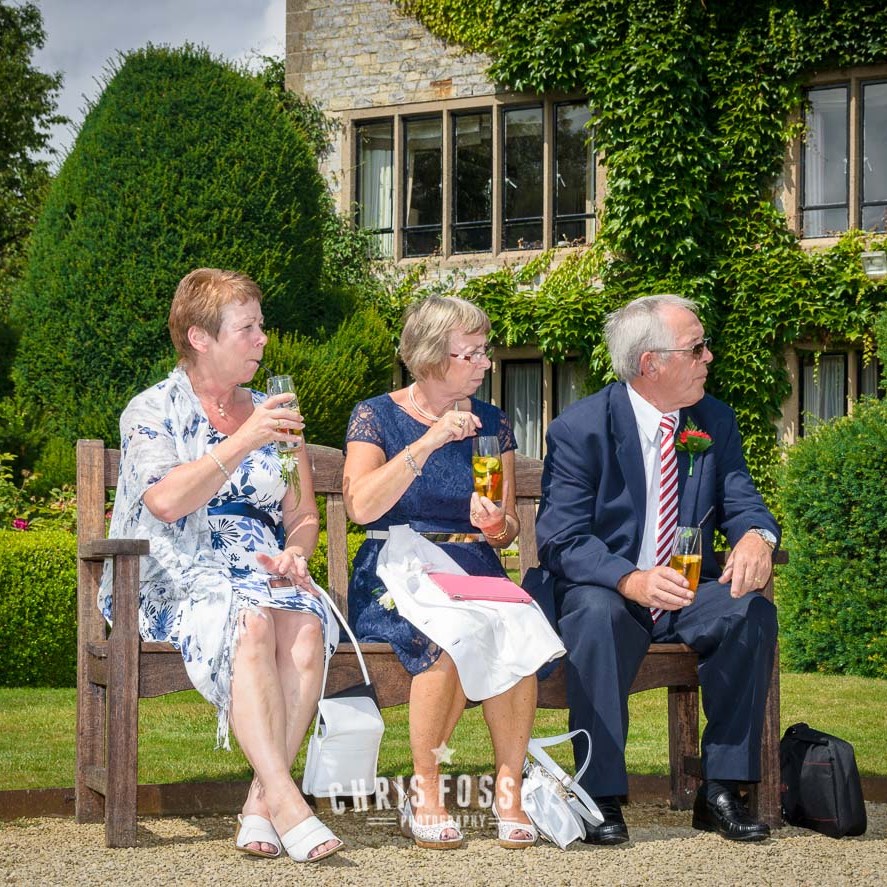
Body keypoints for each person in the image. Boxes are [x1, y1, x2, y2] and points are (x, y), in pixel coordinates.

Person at [100, 268, 342, 863]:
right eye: (248, 328)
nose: (263, 338)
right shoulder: (150, 410)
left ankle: (262, 799)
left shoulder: (273, 409)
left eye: (262, 325)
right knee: (249, 622)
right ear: (200, 338)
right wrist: (245, 439)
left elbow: (302, 513)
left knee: (306, 627)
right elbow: (165, 501)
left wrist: (297, 552)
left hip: (262, 565)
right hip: (171, 570)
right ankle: (287, 802)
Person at [529, 294, 779, 845]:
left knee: (749, 611)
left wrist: (757, 537)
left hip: (685, 590)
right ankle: (598, 793)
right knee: (596, 613)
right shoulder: (582, 428)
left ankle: (720, 789)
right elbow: (561, 539)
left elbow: (742, 502)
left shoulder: (713, 420)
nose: (708, 357)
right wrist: (631, 579)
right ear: (651, 364)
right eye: (697, 348)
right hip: (610, 591)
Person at [343, 295, 558, 850]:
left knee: (517, 627)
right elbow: (360, 506)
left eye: (485, 351)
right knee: (448, 637)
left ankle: (508, 791)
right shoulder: (376, 415)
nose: (485, 363)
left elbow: (507, 527)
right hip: (394, 565)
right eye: (473, 353)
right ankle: (426, 792)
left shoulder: (492, 422)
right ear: (433, 356)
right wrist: (432, 438)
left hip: (471, 567)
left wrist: (498, 527)